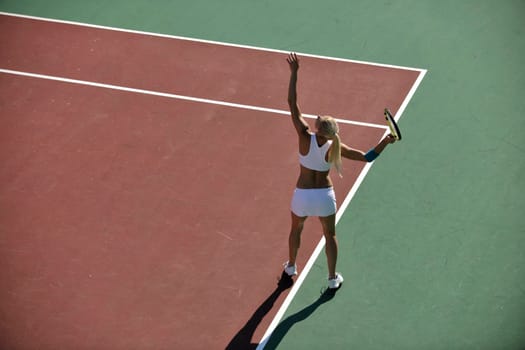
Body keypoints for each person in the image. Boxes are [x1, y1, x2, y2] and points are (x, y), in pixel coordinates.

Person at [283, 53, 396, 289]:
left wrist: (294, 73)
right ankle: (333, 279)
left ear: (318, 128)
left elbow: (292, 103)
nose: (317, 117)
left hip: (302, 196)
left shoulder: (304, 136)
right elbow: (367, 157)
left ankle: (291, 267)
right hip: (324, 197)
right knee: (330, 236)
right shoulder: (336, 147)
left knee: (296, 229)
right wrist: (385, 142)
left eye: (320, 118)